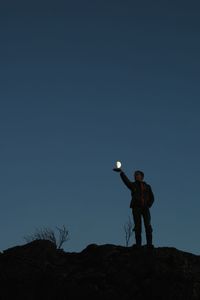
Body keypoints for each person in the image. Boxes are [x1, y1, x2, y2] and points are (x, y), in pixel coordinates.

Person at [113, 167, 155, 248]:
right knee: (137, 226)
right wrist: (121, 173)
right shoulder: (133, 185)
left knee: (148, 225)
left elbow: (152, 197)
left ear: (141, 176)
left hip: (145, 208)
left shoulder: (147, 186)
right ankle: (138, 244)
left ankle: (149, 244)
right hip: (136, 207)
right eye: (135, 175)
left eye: (137, 174)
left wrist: (148, 205)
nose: (135, 176)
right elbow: (126, 182)